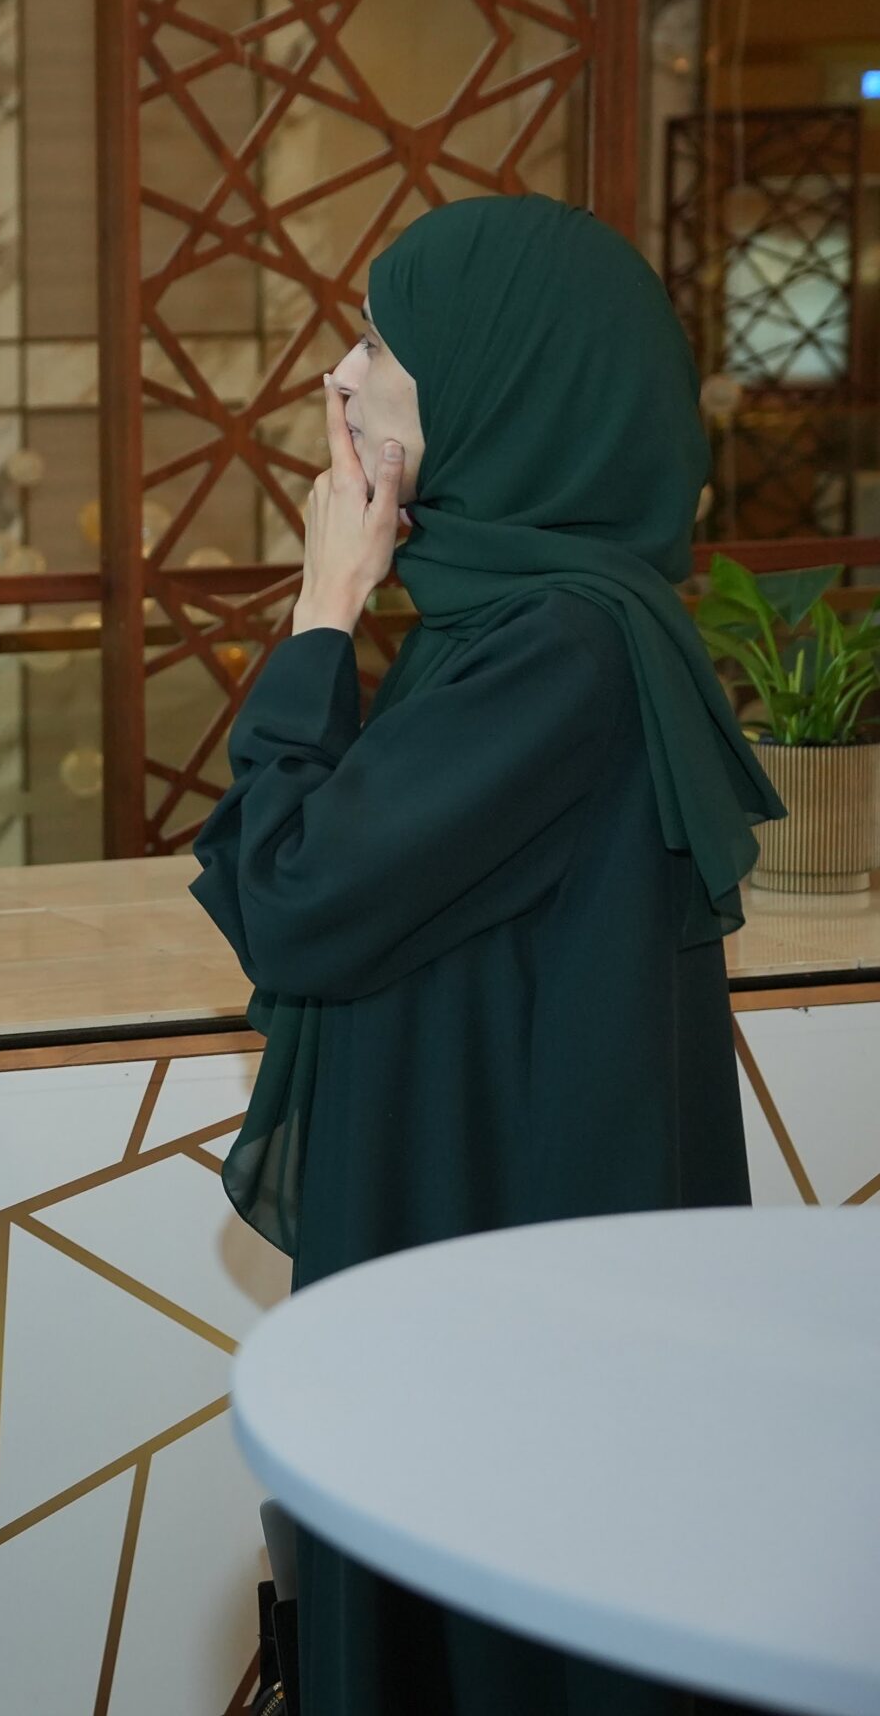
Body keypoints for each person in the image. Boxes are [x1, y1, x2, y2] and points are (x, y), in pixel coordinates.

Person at [191, 193, 782, 1715]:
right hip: (488, 1200)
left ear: (504, 384)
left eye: (382, 345)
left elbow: (296, 894)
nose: (341, 375)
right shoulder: (519, 616)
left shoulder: (558, 647)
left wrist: (326, 601)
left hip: (503, 1231)